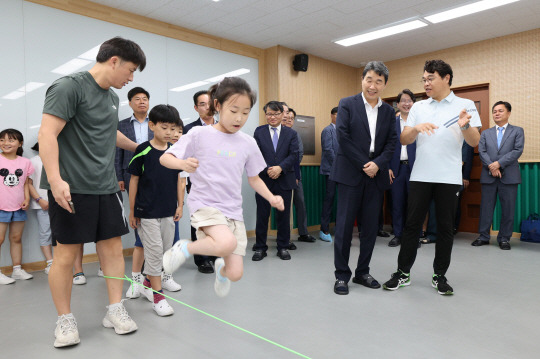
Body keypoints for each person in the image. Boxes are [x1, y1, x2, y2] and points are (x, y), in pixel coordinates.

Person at [38, 36, 144, 347]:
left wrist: (141, 148)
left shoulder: (111, 98)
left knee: (112, 250)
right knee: (67, 254)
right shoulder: (69, 86)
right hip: (72, 186)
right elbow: (48, 133)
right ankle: (65, 320)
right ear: (114, 61)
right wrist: (55, 180)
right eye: (131, 70)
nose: (131, 78)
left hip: (106, 186)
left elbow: (108, 134)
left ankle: (114, 309)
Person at [161, 77, 284, 297]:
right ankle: (184, 248)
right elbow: (165, 158)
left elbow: (254, 178)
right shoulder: (199, 134)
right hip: (205, 204)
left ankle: (221, 269)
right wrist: (182, 163)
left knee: (235, 273)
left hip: (233, 210)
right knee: (225, 243)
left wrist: (271, 197)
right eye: (234, 110)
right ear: (217, 106)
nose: (239, 118)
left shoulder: (248, 142)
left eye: (245, 112)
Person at [383, 59, 481, 296]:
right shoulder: (418, 107)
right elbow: (405, 139)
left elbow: (475, 142)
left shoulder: (465, 104)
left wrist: (465, 126)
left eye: (430, 78)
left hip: (448, 177)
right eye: (424, 79)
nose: (426, 83)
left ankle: (440, 276)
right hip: (420, 176)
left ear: (446, 78)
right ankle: (402, 273)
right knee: (412, 225)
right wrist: (415, 129)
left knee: (446, 228)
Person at [331, 61, 397, 295]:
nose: (373, 85)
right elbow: (343, 137)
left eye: (379, 81)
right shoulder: (347, 104)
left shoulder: (389, 111)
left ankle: (362, 272)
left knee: (370, 229)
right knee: (345, 229)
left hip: (375, 175)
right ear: (362, 80)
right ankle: (341, 276)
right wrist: (364, 164)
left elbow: (392, 142)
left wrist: (377, 164)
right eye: (369, 79)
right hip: (351, 172)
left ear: (385, 84)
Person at [128, 104, 183, 316]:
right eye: (164, 127)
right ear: (152, 126)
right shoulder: (143, 150)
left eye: (173, 128)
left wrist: (179, 205)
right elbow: (134, 180)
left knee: (164, 251)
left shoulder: (175, 152)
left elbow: (179, 180)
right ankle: (158, 298)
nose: (169, 133)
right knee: (153, 252)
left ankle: (147, 282)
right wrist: (133, 211)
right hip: (147, 212)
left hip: (168, 211)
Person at [115, 87, 155, 296]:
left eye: (145, 99)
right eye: (137, 99)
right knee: (136, 216)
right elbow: (117, 152)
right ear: (130, 103)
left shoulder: (155, 122)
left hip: (154, 175)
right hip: (129, 175)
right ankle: (137, 275)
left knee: (154, 220)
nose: (142, 102)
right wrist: (119, 177)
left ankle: (153, 273)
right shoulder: (121, 125)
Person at [472, 101, 524, 250]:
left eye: (500, 111)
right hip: (489, 175)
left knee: (508, 209)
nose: (497, 113)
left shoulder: (517, 131)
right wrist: (491, 166)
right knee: (486, 208)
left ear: (508, 113)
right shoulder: (486, 133)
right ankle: (483, 236)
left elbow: (517, 150)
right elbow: (482, 151)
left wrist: (499, 163)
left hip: (509, 176)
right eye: (494, 111)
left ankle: (504, 239)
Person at [252, 101, 299, 261]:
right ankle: (260, 247)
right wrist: (268, 169)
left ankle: (283, 247)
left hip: (284, 179)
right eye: (269, 114)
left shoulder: (291, 134)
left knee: (283, 215)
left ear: (282, 115)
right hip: (264, 180)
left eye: (276, 114)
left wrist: (280, 168)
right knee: (262, 215)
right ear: (265, 115)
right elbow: (255, 154)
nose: (272, 117)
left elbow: (294, 155)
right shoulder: (259, 132)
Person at [182, 90, 218, 274]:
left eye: (210, 102)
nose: (207, 106)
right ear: (196, 108)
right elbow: (185, 156)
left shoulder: (225, 127)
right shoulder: (189, 129)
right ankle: (202, 259)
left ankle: (216, 254)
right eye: (203, 104)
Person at [0, 129, 34, 284]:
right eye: (2, 140)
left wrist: (27, 198)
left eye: (11, 140)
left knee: (16, 238)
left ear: (20, 143)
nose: (5, 143)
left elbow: (26, 183)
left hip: (19, 207)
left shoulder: (25, 162)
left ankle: (17, 270)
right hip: (1, 206)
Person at [282, 106, 316, 248]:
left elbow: (298, 154)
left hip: (295, 175)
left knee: (300, 203)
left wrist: (293, 172)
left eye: (291, 119)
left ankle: (303, 232)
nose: (289, 120)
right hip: (278, 175)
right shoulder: (277, 134)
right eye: (286, 118)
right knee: (284, 208)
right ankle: (285, 237)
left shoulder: (295, 134)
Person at [388, 89, 416, 247]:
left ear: (413, 103)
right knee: (397, 203)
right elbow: (384, 146)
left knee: (415, 205)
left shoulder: (419, 122)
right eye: (403, 101)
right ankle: (398, 234)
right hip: (396, 169)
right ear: (397, 104)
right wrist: (387, 167)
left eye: (410, 100)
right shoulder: (391, 124)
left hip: (415, 169)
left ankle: (414, 236)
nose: (406, 103)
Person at [28, 142, 53, 274]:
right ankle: (50, 262)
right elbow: (29, 184)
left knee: (63, 232)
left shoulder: (61, 157)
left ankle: (62, 262)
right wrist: (39, 200)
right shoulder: (33, 161)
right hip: (42, 204)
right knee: (45, 233)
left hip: (61, 202)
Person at [319, 107, 338, 242]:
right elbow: (328, 150)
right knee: (329, 199)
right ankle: (324, 229)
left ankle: (340, 228)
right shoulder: (327, 130)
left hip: (344, 172)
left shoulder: (344, 131)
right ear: (331, 115)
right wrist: (339, 165)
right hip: (331, 170)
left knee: (343, 200)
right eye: (337, 115)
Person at [453, 140, 474, 235]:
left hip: (458, 175)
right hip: (442, 175)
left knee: (455, 203)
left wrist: (465, 176)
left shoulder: (466, 137)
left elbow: (468, 158)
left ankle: (454, 226)